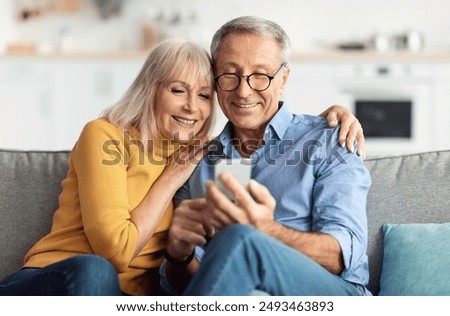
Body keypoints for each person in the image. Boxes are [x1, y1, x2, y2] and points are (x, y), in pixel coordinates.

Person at [0, 37, 362, 296]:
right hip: (61, 280)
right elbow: (123, 256)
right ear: (150, 89)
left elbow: (344, 253)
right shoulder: (123, 141)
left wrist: (326, 125)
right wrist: (173, 185)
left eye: (203, 95)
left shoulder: (206, 154)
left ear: (283, 79)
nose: (192, 107)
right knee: (96, 270)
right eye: (178, 90)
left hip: (128, 298)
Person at [161, 16, 372, 296]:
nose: (244, 90)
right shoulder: (198, 162)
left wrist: (269, 232)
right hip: (240, 299)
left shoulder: (330, 138)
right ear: (214, 80)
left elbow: (343, 255)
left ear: (283, 78)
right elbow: (200, 282)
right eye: (230, 75)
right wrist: (180, 256)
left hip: (332, 294)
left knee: (240, 237)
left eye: (260, 75)